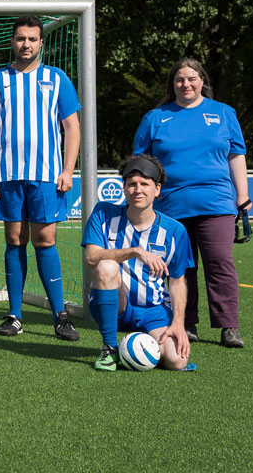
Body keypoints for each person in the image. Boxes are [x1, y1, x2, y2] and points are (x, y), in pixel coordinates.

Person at [0, 15, 81, 340]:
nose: (26, 44)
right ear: (13, 41)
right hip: (7, 176)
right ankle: (14, 314)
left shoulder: (57, 78)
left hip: (47, 175)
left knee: (45, 241)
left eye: (32, 39)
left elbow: (72, 127)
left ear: (40, 43)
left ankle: (60, 316)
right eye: (21, 38)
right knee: (14, 241)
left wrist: (67, 169)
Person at [133, 58, 250, 348]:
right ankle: (185, 322)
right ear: (172, 85)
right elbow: (142, 163)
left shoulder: (223, 113)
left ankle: (228, 327)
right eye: (179, 80)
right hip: (171, 205)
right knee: (180, 268)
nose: (186, 84)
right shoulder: (155, 118)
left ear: (203, 81)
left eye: (192, 79)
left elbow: (236, 156)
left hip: (217, 203)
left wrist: (243, 197)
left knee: (220, 262)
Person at [84, 154, 192, 371]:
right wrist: (134, 251)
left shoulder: (174, 231)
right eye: (132, 184)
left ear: (157, 189)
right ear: (124, 188)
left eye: (145, 184)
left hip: (153, 309)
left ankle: (141, 344)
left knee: (177, 361)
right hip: (116, 304)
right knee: (106, 265)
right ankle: (109, 349)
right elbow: (91, 257)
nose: (138, 190)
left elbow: (178, 281)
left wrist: (179, 323)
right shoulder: (103, 214)